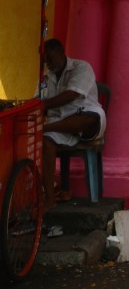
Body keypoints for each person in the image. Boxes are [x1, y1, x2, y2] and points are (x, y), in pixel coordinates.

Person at [40, 38, 106, 212]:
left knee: (91, 118)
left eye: (50, 58)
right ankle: (49, 197)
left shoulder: (81, 67)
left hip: (84, 122)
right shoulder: (46, 77)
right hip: (59, 125)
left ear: (62, 53)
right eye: (45, 60)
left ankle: (49, 128)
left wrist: (45, 105)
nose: (48, 63)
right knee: (45, 142)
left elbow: (71, 95)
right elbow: (39, 99)